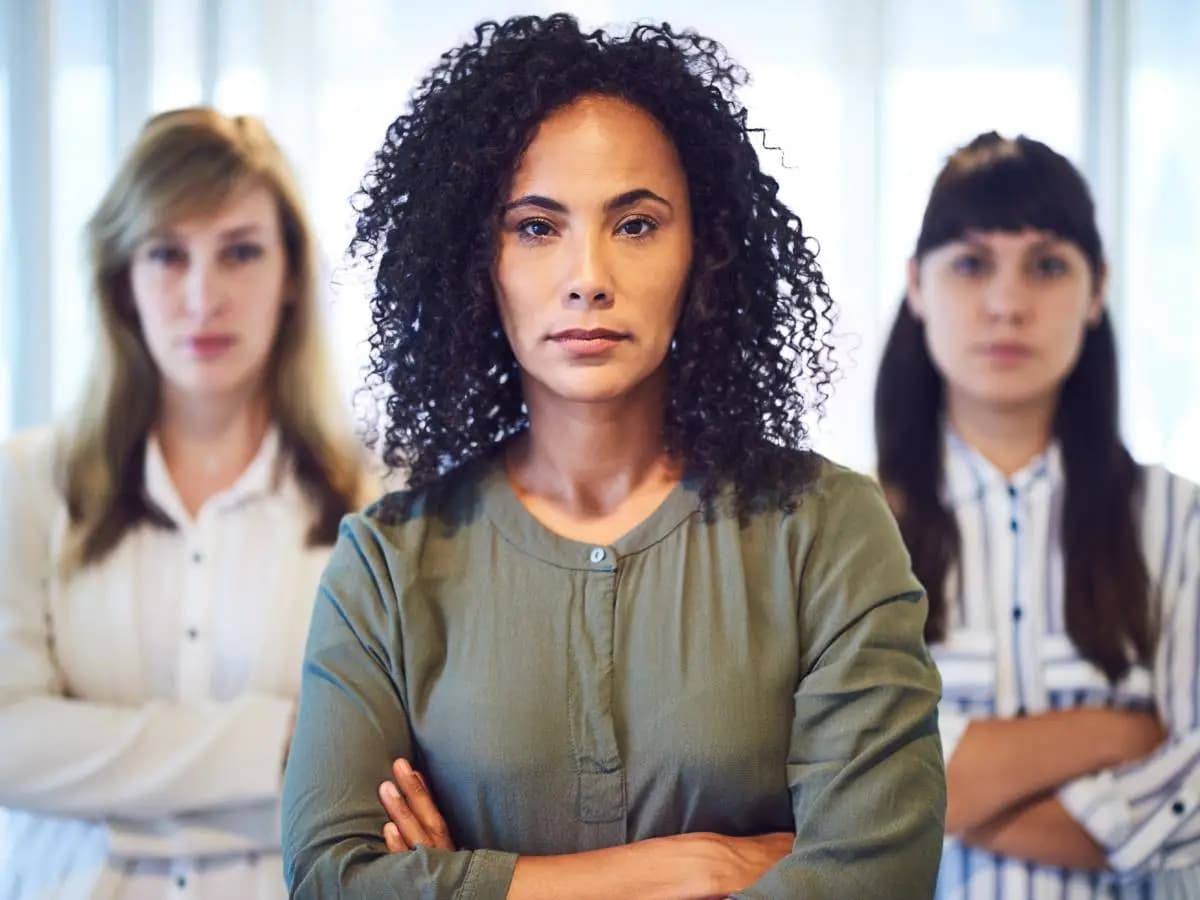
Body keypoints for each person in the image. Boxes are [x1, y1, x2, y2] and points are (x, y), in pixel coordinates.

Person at [282, 14, 945, 900]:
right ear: (477, 264)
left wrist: (463, 883)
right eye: (535, 227)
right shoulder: (387, 564)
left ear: (703, 253)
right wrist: (683, 870)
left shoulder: (826, 530)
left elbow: (875, 877)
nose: (588, 274)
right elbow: (334, 880)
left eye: (635, 225)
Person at [0, 108, 369, 898]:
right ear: (123, 281)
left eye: (240, 252)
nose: (204, 298)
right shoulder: (27, 482)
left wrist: (97, 790)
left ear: (292, 274)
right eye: (166, 254)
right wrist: (277, 744)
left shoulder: (377, 496)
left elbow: (375, 777)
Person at [875, 131, 1200, 898]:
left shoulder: (1178, 523)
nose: (1007, 302)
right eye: (971, 263)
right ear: (917, 287)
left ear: (1097, 292)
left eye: (1047, 265)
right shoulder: (843, 527)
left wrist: (927, 798)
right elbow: (817, 781)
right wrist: (1113, 735)